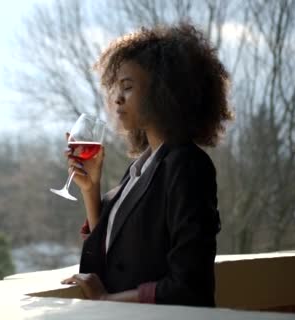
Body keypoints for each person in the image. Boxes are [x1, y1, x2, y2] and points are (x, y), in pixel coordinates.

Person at [60, 23, 233, 307]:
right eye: (115, 86)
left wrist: (107, 299)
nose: (116, 97)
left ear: (164, 91)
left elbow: (189, 286)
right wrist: (91, 191)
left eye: (127, 87)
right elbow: (115, 254)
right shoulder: (141, 167)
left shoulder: (188, 166)